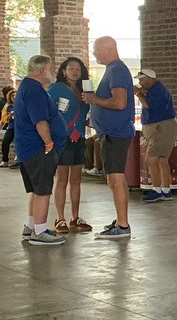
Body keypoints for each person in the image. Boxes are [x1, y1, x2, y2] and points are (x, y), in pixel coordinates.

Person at [81, 36, 135, 240]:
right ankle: (121, 220)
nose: (94, 54)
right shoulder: (113, 70)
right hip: (112, 133)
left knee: (115, 178)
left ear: (109, 49)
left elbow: (120, 103)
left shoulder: (117, 70)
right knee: (115, 178)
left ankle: (122, 225)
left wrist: (94, 99)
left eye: (96, 50)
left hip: (116, 133)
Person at [13, 55, 69, 245]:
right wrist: (48, 143)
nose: (54, 72)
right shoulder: (34, 90)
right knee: (43, 189)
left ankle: (32, 227)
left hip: (28, 147)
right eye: (52, 68)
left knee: (36, 190)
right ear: (43, 70)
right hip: (37, 148)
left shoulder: (28, 87)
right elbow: (40, 121)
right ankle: (40, 231)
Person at [47, 57, 92, 233]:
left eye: (78, 69)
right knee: (62, 180)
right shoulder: (56, 89)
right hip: (63, 138)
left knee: (76, 180)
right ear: (64, 71)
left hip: (79, 137)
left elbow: (87, 112)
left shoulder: (84, 91)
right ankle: (60, 218)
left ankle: (75, 217)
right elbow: (48, 111)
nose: (75, 72)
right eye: (71, 68)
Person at [135, 68, 177, 203]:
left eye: (142, 80)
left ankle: (157, 190)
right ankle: (165, 190)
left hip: (161, 128)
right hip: (160, 127)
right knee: (161, 159)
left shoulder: (158, 90)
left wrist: (137, 93)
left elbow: (148, 104)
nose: (140, 82)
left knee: (150, 159)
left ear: (151, 78)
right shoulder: (154, 90)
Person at [0, 86, 15, 166]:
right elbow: (3, 120)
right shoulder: (7, 106)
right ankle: (5, 160)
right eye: (12, 96)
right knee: (5, 141)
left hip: (20, 127)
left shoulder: (21, 104)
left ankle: (18, 160)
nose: (14, 97)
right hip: (11, 127)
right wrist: (10, 115)